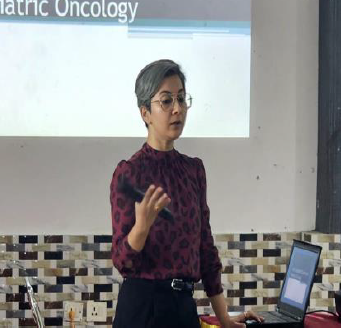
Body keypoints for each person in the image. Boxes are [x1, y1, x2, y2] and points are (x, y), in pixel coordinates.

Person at [110, 59, 264, 328]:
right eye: (166, 101)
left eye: (181, 99)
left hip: (183, 307)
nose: (177, 109)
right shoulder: (129, 173)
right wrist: (142, 227)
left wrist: (224, 319)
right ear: (145, 113)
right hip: (142, 309)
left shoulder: (193, 170)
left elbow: (206, 250)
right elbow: (123, 262)